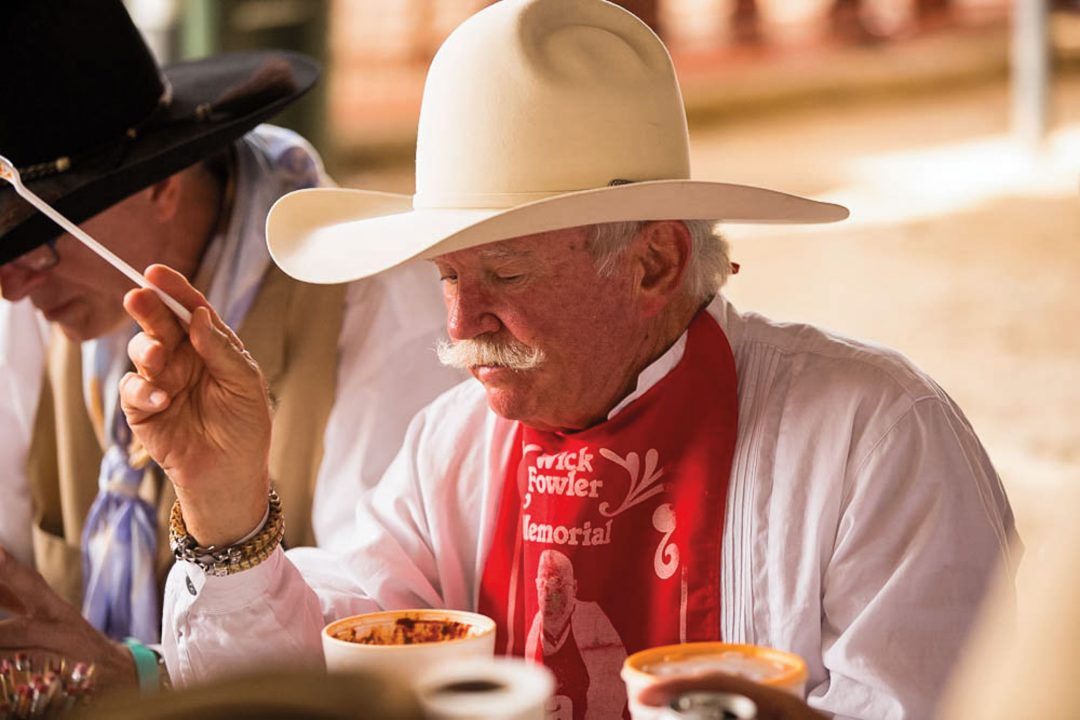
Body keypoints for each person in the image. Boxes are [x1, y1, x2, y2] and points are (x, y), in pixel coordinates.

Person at [116, 0, 1017, 717]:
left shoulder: (875, 437)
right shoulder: (452, 446)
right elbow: (313, 679)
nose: (463, 319)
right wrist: (227, 496)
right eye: (446, 275)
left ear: (654, 262)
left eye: (505, 272)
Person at [0, 0, 460, 691]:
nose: (11, 287)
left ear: (160, 184)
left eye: (35, 244)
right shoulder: (44, 296)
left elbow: (382, 637)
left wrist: (144, 679)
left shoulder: (372, 302)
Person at [525, 549, 626, 718]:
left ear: (574, 588)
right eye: (542, 582)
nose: (548, 590)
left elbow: (614, 685)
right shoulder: (534, 628)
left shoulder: (592, 620)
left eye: (556, 581)